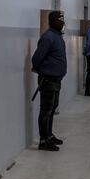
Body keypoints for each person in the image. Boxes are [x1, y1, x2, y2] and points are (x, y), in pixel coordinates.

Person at [32, 10, 67, 151]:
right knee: (46, 110)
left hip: (56, 79)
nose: (62, 22)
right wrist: (45, 70)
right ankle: (43, 140)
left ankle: (49, 135)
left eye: (63, 19)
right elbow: (36, 59)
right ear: (52, 21)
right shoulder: (48, 37)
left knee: (52, 109)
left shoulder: (57, 36)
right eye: (60, 20)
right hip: (48, 80)